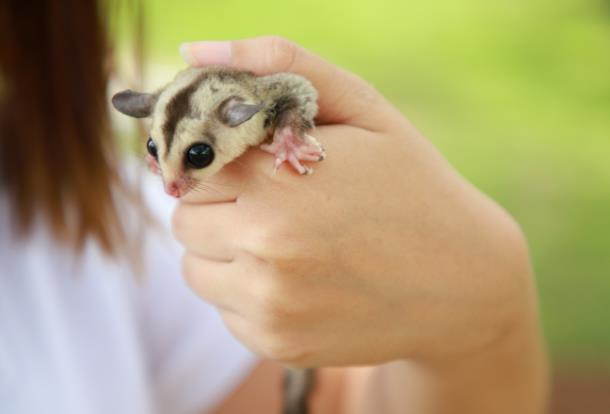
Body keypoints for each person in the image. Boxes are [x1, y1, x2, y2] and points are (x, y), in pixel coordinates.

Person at [0, 1, 548, 413]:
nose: (169, 188)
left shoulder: (103, 228)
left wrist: (482, 317)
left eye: (195, 156)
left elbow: (336, 401)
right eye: (154, 153)